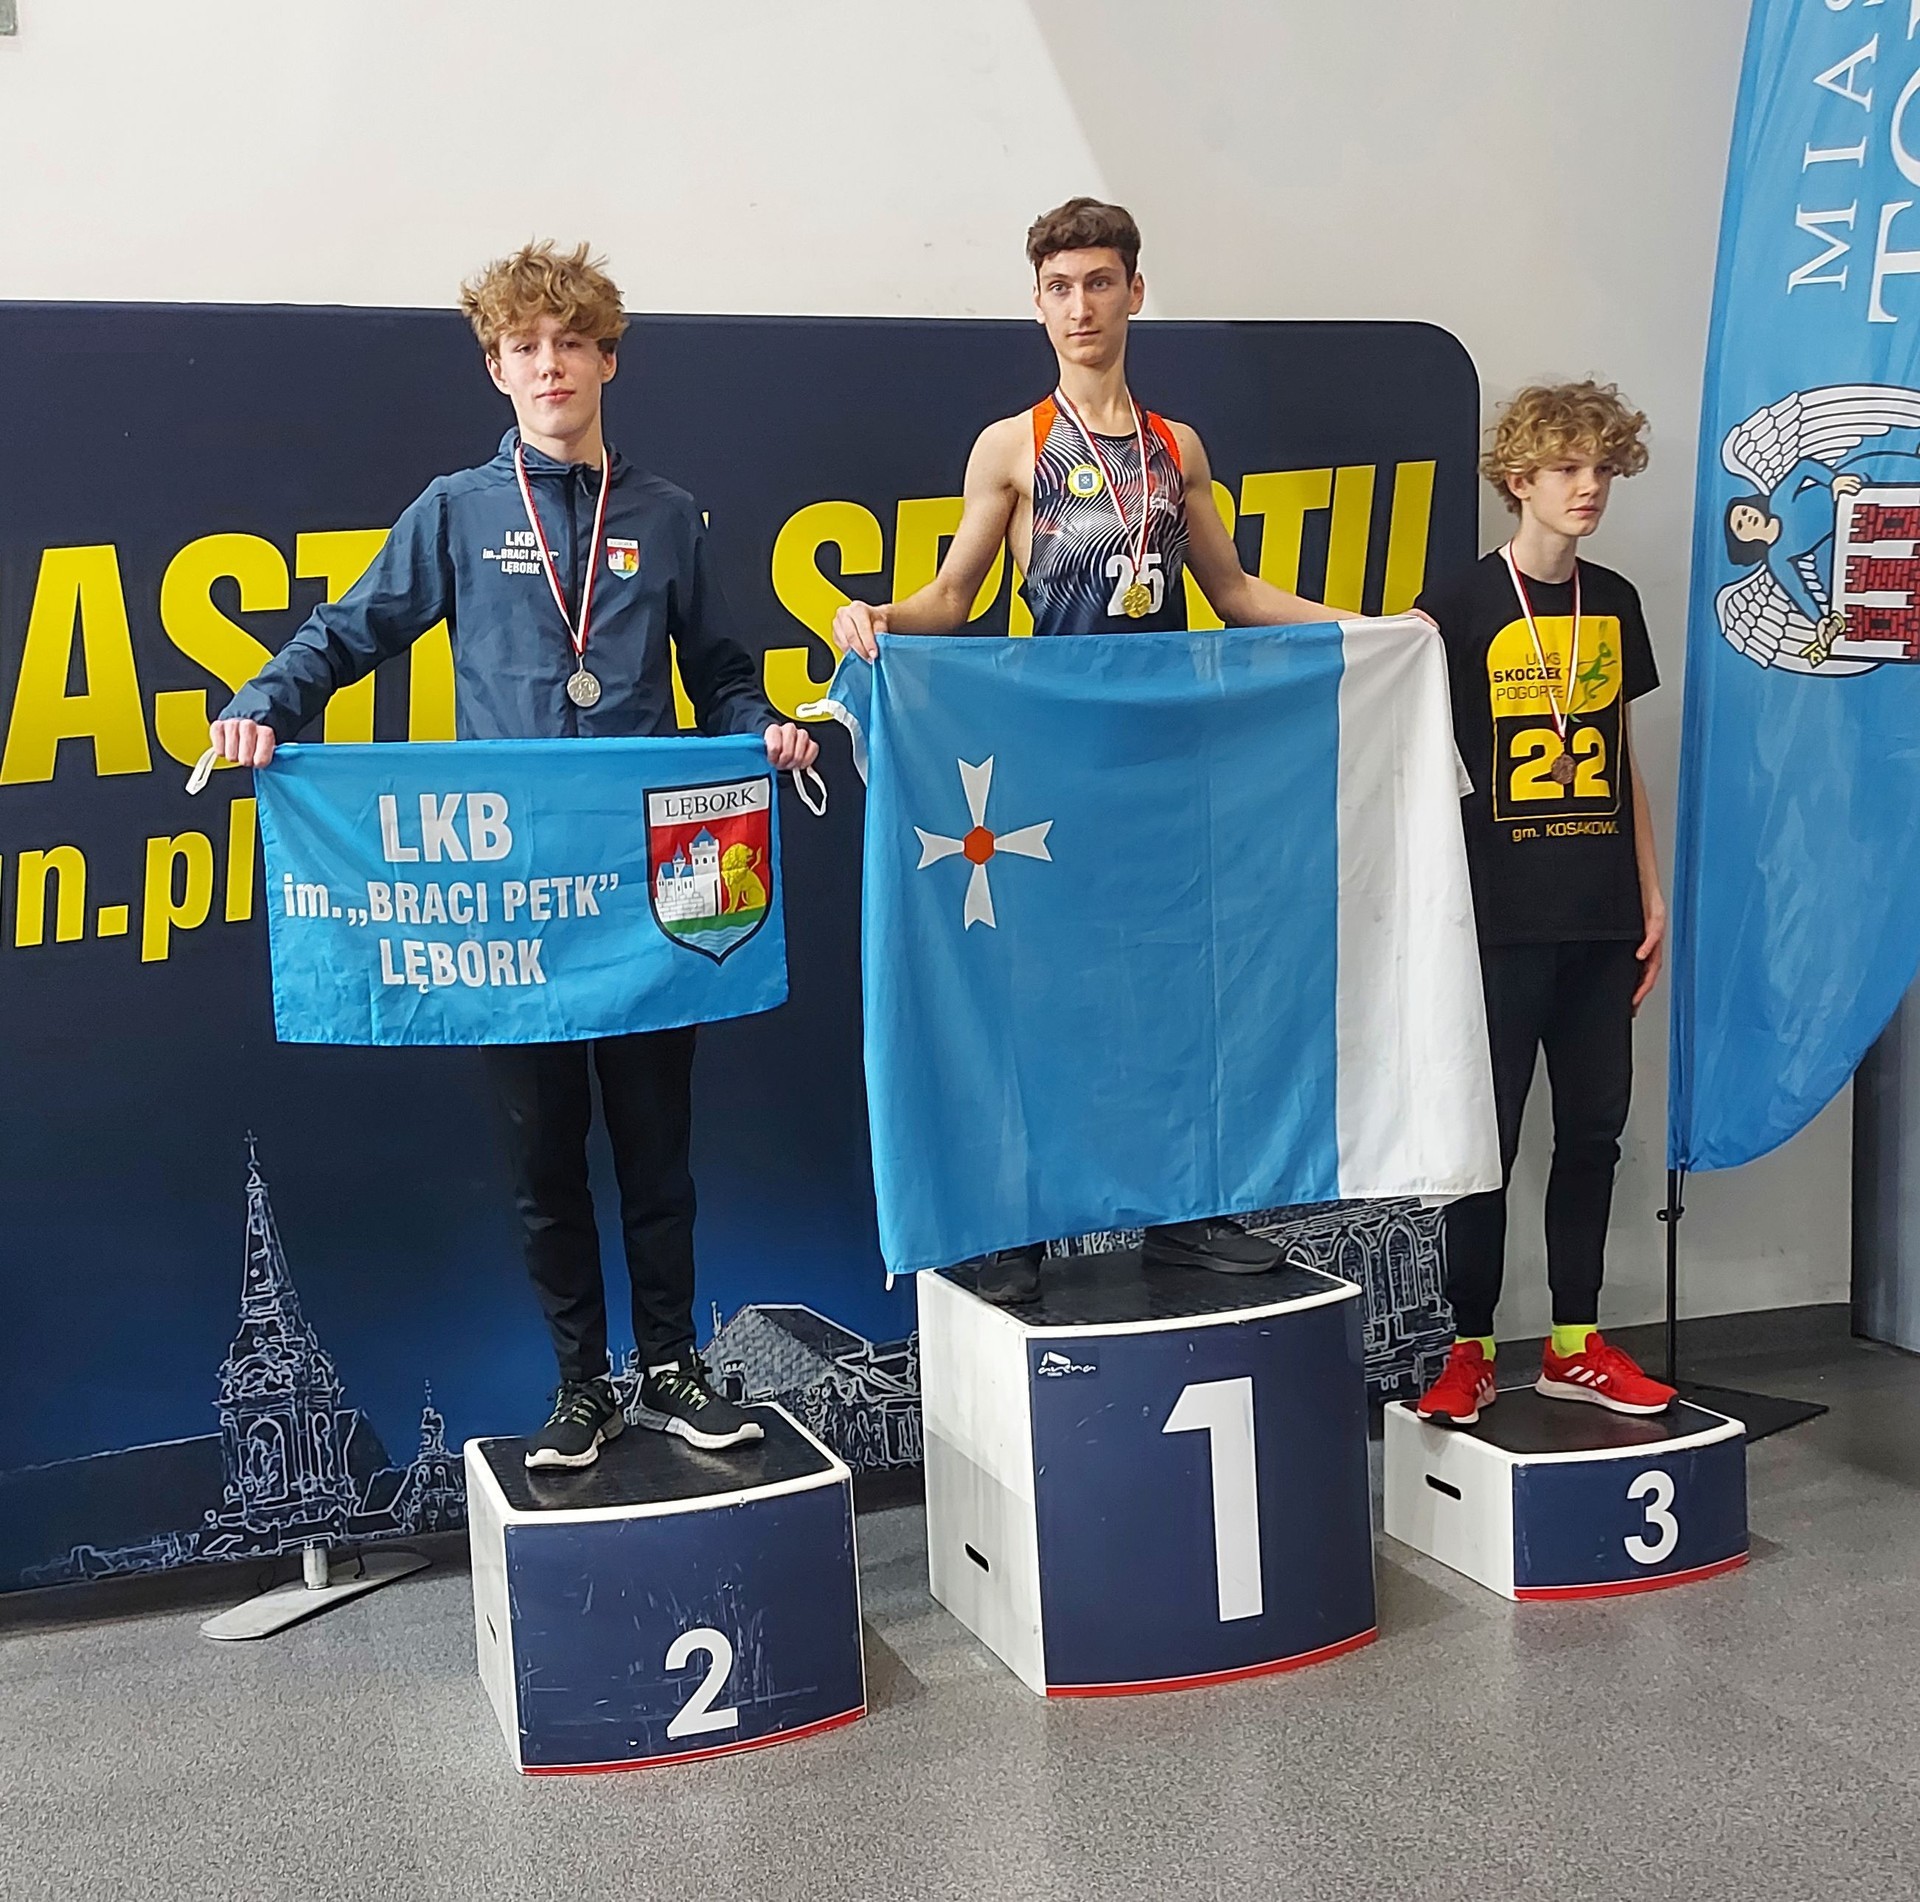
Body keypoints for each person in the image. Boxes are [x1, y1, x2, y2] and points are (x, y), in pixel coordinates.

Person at [208, 241, 819, 1469]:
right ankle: (583, 1387)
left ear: (607, 360)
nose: (550, 365)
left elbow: (722, 671)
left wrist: (764, 729)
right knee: (543, 1159)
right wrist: (264, 703)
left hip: (646, 888)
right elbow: (349, 630)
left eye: (570, 343)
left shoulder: (666, 514)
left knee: (656, 1146)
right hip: (508, 900)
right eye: (525, 347)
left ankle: (673, 1368)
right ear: (497, 368)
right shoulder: (458, 509)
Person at [833, 196, 1335, 1304]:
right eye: (1059, 288)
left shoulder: (1176, 448)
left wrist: (1369, 631)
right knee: (1042, 996)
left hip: (1163, 767)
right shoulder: (1013, 446)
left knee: (1169, 988)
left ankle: (1184, 1215)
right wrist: (874, 616)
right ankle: (1020, 1223)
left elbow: (1235, 593)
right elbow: (955, 599)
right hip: (1050, 768)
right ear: (1037, 305)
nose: (1080, 307)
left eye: (1099, 282)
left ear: (1134, 292)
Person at [1414, 381, 1675, 1426]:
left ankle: (1576, 1342)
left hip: (1601, 916)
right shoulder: (1460, 605)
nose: (1590, 487)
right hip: (1498, 920)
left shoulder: (1614, 601)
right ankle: (1468, 1349)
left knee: (1595, 1132)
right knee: (1486, 1145)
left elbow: (1621, 751)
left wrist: (1649, 890)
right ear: (1519, 479)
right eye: (1569, 467)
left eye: (1603, 468)